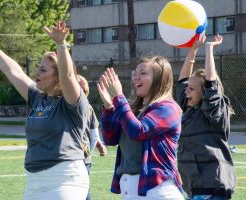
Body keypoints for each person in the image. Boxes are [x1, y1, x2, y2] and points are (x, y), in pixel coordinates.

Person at [0, 21, 90, 200]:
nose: (37, 72)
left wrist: (61, 44)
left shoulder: (72, 102)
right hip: (34, 181)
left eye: (43, 69)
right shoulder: (38, 98)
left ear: (57, 77)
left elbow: (67, 76)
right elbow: (14, 72)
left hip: (65, 179)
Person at [97, 57, 184, 200]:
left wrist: (118, 97)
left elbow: (139, 131)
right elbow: (110, 138)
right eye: (135, 73)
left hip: (158, 192)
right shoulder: (134, 111)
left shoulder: (168, 108)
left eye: (143, 73)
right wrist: (109, 107)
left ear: (158, 79)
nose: (136, 78)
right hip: (131, 191)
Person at [176, 34, 236, 200]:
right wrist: (193, 50)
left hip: (213, 189)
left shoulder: (215, 112)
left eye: (192, 89)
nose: (186, 91)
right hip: (193, 189)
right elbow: (182, 81)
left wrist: (209, 48)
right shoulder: (189, 109)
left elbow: (211, 84)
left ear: (205, 93)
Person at [77, 74, 107, 200]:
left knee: (81, 191)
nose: (84, 91)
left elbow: (94, 134)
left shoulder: (87, 108)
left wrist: (90, 151)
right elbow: (94, 135)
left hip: (79, 158)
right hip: (78, 157)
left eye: (85, 89)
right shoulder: (87, 107)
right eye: (81, 88)